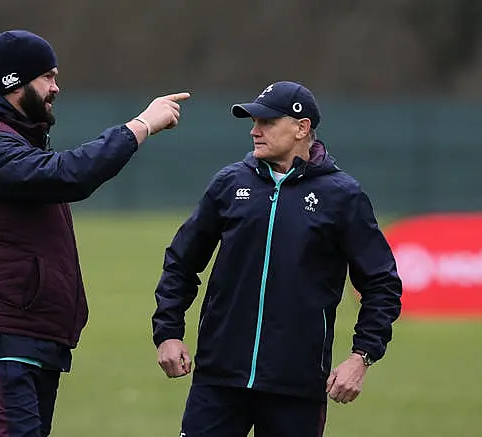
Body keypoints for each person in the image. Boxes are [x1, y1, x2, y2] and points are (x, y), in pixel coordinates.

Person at [0, 29, 189, 437]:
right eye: (48, 77)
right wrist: (140, 126)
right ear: (14, 82)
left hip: (29, 339)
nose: (56, 87)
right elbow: (68, 175)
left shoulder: (16, 144)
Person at [152, 81, 402, 437]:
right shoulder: (228, 184)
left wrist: (361, 357)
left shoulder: (342, 196)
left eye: (267, 122)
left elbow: (382, 284)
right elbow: (181, 261)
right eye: (253, 122)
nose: (255, 131)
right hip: (219, 380)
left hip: (297, 387)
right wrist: (168, 333)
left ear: (302, 128)